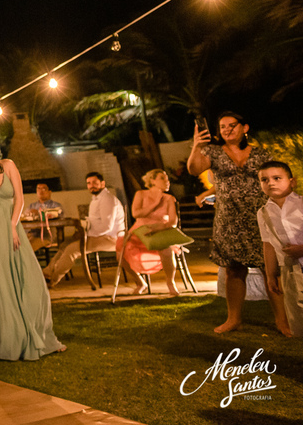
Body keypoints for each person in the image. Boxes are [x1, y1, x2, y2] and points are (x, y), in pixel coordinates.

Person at [0, 134, 63, 360]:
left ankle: (35, 331)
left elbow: (19, 198)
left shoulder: (8, 165)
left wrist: (12, 225)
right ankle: (3, 338)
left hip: (11, 229)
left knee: (27, 278)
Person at [187, 112, 272, 333]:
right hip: (229, 219)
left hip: (260, 217)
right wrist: (197, 145)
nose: (226, 130)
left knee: (270, 269)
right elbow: (194, 169)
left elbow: (273, 180)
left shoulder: (262, 154)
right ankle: (234, 319)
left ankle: (282, 319)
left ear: (245, 127)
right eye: (222, 126)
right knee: (234, 270)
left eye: (231, 125)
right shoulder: (213, 153)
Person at [43, 171, 126, 287]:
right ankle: (47, 273)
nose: (91, 185)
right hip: (99, 236)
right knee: (65, 245)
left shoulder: (107, 199)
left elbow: (107, 227)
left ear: (102, 184)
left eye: (95, 183)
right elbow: (94, 222)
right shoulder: (96, 199)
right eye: (89, 183)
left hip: (111, 238)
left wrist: (85, 234)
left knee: (72, 250)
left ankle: (52, 281)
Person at [119, 169, 185, 297]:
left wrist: (158, 227)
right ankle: (140, 283)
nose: (167, 181)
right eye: (162, 178)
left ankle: (170, 282)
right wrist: (155, 204)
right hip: (139, 231)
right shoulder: (141, 194)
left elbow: (173, 221)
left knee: (166, 249)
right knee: (120, 251)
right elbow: (136, 214)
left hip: (160, 230)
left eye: (167, 179)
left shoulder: (169, 198)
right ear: (152, 181)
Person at [257, 161, 301, 337]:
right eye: (264, 180)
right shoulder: (263, 212)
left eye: (277, 178)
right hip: (288, 269)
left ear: (292, 181)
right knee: (297, 310)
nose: (271, 183)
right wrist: (270, 275)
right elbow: (267, 244)